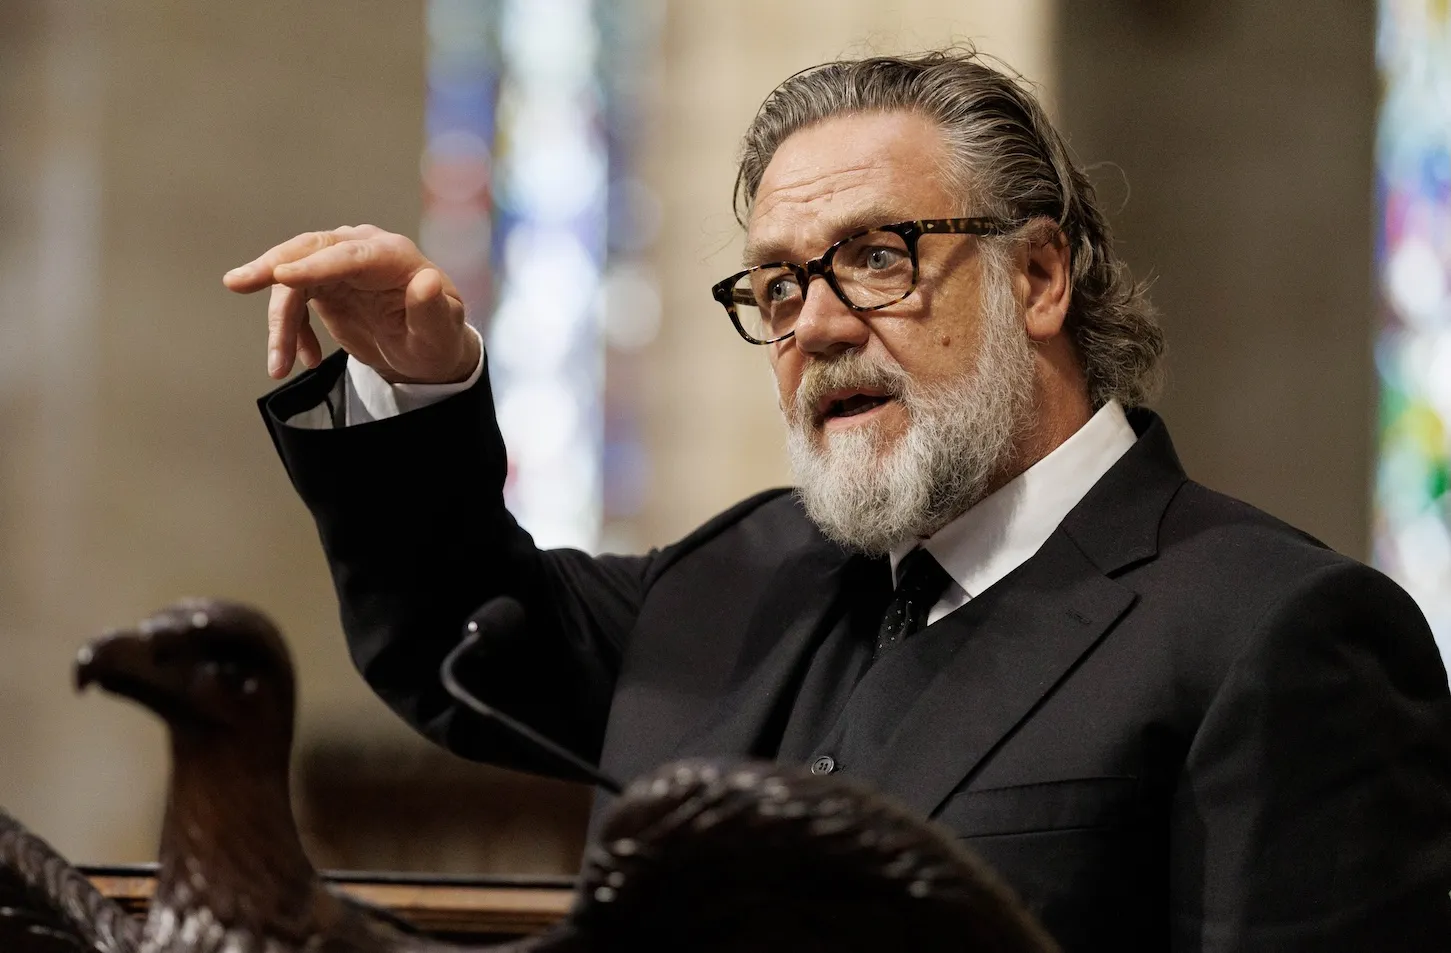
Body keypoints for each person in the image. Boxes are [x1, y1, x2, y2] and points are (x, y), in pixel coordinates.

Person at [227, 51, 1451, 951]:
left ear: (1035, 275)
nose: (812, 324)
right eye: (773, 286)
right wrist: (415, 384)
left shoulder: (1271, 628)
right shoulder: (740, 574)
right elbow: (464, 635)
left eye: (874, 257)